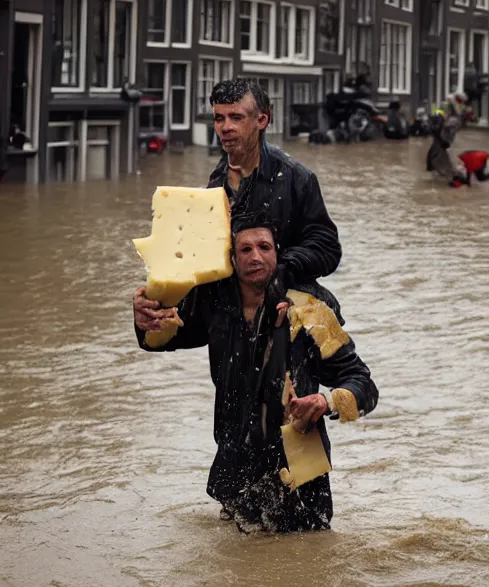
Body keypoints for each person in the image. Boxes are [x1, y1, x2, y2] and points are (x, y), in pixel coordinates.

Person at [133, 218, 378, 534]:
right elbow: (159, 336)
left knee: (306, 566)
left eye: (264, 247)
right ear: (232, 259)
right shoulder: (214, 302)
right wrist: (143, 311)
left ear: (279, 253)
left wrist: (326, 400)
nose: (255, 257)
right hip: (237, 465)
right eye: (245, 249)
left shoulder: (310, 309)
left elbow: (362, 383)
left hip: (300, 473)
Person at [207, 78, 342, 285]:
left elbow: (327, 247)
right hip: (234, 304)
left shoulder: (297, 178)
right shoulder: (216, 181)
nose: (226, 127)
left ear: (262, 120)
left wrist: (279, 270)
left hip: (284, 298)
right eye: (219, 118)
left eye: (236, 117)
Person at [426, 92, 470, 183]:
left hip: (440, 137)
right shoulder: (452, 111)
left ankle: (439, 175)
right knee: (437, 157)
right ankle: (449, 176)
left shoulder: (447, 106)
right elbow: (446, 123)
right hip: (442, 138)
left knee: (436, 156)